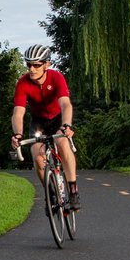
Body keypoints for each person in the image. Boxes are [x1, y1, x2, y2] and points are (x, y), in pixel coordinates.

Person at [10, 44, 80, 210]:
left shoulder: (56, 77)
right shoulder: (23, 83)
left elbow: (65, 104)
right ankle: (51, 194)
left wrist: (66, 125)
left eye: (37, 65)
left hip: (57, 119)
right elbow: (18, 113)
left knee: (63, 143)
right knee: (36, 155)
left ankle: (73, 189)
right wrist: (18, 134)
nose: (32, 69)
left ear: (47, 64)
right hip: (39, 121)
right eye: (29, 65)